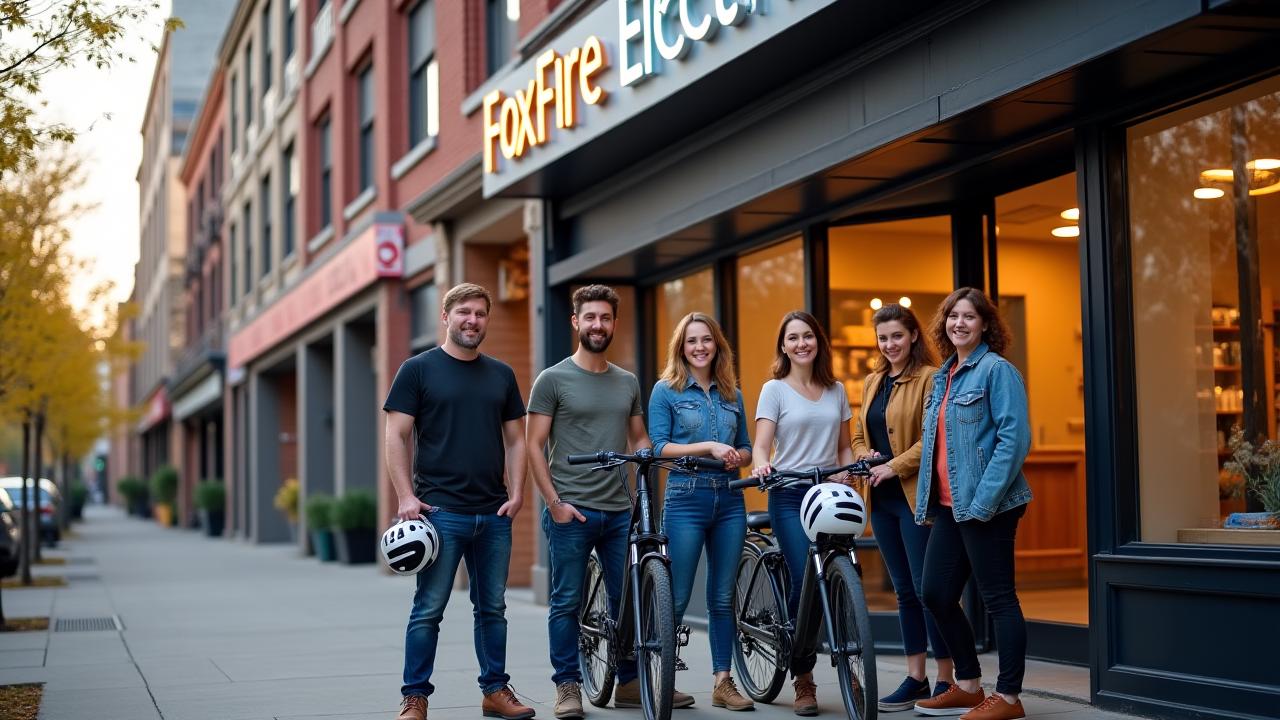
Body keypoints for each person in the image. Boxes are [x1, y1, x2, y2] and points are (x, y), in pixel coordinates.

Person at [525, 285, 685, 718]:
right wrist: (554, 503)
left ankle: (631, 683)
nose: (598, 325)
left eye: (606, 318)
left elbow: (640, 440)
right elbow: (533, 445)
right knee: (567, 602)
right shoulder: (552, 379)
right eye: (590, 317)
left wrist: (663, 457)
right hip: (571, 509)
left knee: (628, 599)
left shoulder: (627, 381)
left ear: (614, 323)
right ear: (576, 322)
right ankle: (568, 686)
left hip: (619, 511)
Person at [384, 283, 534, 720]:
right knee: (428, 609)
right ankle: (415, 697)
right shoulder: (417, 370)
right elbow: (396, 434)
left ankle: (495, 691)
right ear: (446, 317)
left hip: (493, 512)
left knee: (493, 608)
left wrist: (519, 492)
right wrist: (405, 496)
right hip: (439, 514)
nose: (473, 320)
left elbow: (516, 440)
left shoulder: (502, 374)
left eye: (480, 314)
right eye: (464, 312)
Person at [912, 287, 1033, 720]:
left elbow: (1014, 440)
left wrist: (983, 503)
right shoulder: (944, 375)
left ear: (985, 325)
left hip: (989, 505)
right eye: (952, 316)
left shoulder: (997, 372)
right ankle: (967, 684)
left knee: (998, 597)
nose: (959, 323)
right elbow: (936, 445)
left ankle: (1010, 698)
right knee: (935, 594)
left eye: (969, 316)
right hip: (950, 505)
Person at [850, 304, 956, 711]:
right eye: (882, 337)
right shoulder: (873, 379)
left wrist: (892, 466)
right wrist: (866, 456)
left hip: (917, 499)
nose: (889, 344)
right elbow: (858, 430)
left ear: (913, 335)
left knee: (930, 590)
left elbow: (932, 439)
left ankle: (946, 679)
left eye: (897, 335)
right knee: (904, 593)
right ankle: (915, 677)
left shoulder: (931, 378)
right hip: (882, 502)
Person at [648, 312, 755, 712]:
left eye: (706, 340)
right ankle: (663, 678)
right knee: (675, 597)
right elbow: (658, 447)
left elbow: (746, 446)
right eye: (692, 341)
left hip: (728, 499)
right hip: (686, 499)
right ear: (682, 347)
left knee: (723, 597)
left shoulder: (733, 394)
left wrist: (736, 456)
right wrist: (708, 447)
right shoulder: (666, 390)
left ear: (717, 345)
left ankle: (722, 682)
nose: (699, 347)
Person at [751, 310, 855, 717]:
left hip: (828, 494)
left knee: (839, 573)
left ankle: (849, 664)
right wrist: (761, 465)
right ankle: (803, 676)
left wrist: (846, 471)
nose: (801, 344)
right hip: (789, 494)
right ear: (783, 345)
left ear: (818, 342)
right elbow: (762, 445)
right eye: (792, 338)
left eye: (807, 336)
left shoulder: (837, 389)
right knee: (805, 575)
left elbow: (844, 446)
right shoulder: (773, 389)